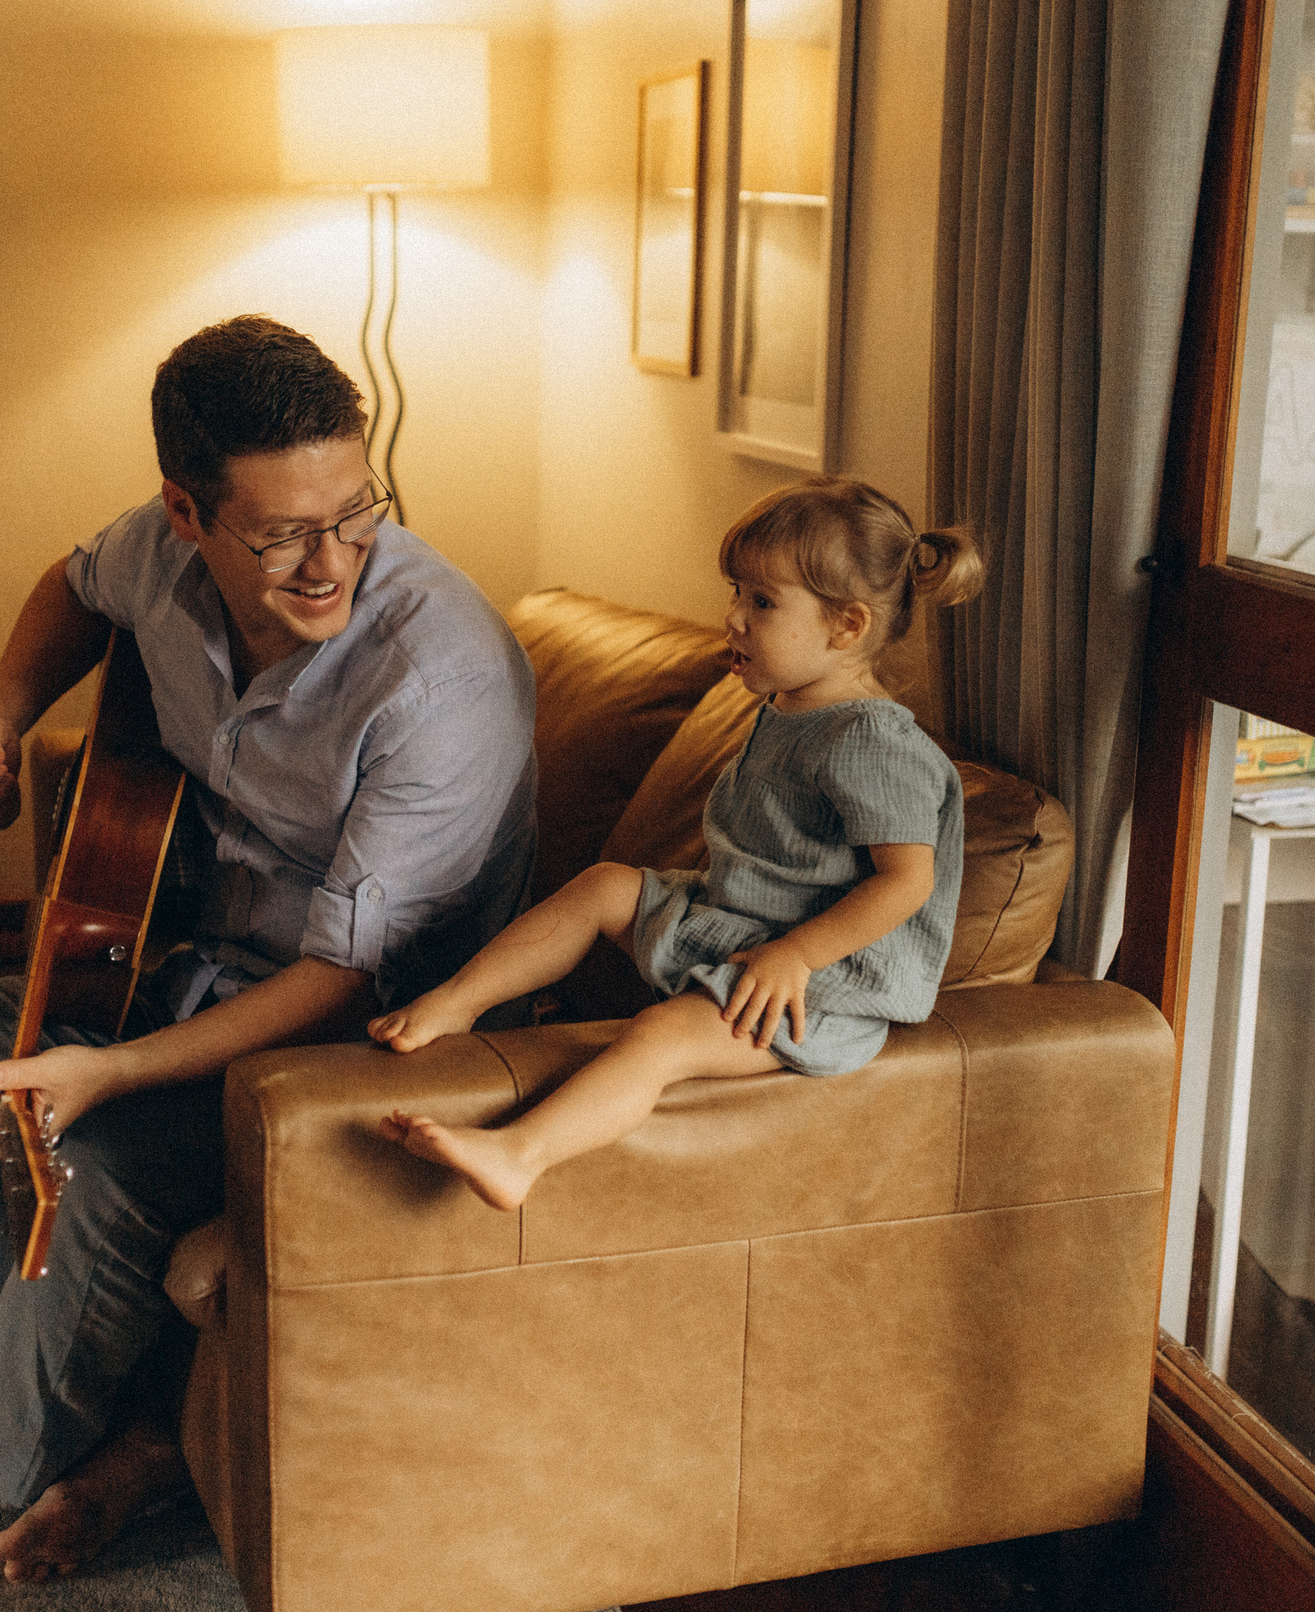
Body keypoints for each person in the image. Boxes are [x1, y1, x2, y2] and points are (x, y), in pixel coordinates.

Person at [0, 315, 536, 1582]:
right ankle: (115, 1408)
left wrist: (107, 1071)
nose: (333, 563)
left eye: (355, 512)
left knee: (80, 1152)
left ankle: (12, 1439)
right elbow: (71, 584)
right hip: (179, 963)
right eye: (279, 534)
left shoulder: (442, 677)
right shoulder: (152, 556)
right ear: (186, 513)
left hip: (360, 1040)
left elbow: (342, 983)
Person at [370, 477, 980, 1211]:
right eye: (736, 592)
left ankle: (519, 1153)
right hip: (745, 926)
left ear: (846, 626)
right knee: (602, 886)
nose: (733, 619)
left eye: (762, 602)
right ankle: (459, 1002)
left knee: (661, 1034)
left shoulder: (874, 741)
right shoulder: (792, 705)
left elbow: (907, 880)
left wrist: (797, 955)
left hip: (820, 989)